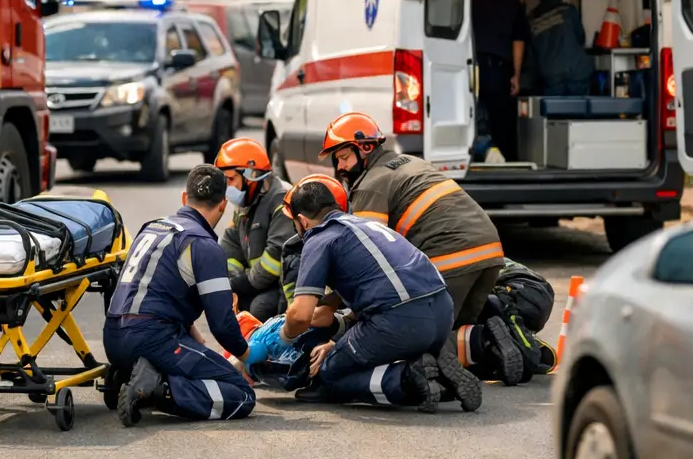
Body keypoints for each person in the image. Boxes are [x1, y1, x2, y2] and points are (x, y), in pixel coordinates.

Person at [319, 112, 525, 390]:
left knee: (420, 332)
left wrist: (337, 305)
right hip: (489, 251)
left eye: (343, 157)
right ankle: (494, 340)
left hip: (450, 255)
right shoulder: (410, 162)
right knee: (453, 327)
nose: (340, 167)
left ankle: (448, 358)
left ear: (365, 148)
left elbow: (366, 256)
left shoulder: (371, 184)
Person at [273, 176, 476, 413]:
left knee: (328, 373)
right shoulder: (368, 226)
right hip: (442, 312)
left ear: (302, 220)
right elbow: (339, 305)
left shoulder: (320, 237)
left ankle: (410, 378)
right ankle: (438, 379)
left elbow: (300, 316)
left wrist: (283, 338)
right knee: (351, 353)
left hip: (400, 321)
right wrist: (338, 344)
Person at [104, 164, 265, 427]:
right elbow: (223, 324)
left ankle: (132, 375)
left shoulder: (151, 228)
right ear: (223, 205)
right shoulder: (203, 244)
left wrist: (197, 343)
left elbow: (160, 293)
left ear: (184, 198)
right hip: (153, 339)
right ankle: (160, 390)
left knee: (194, 359)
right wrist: (248, 356)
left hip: (113, 338)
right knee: (241, 394)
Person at [216, 137, 294, 320]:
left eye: (230, 179)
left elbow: (275, 256)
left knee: (259, 308)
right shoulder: (245, 203)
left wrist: (245, 281)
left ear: (251, 175)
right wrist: (232, 280)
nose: (226, 187)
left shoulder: (281, 199)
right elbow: (231, 244)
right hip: (257, 283)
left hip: (282, 286)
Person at [472, 0, 528, 159]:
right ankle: (505, 161)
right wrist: (516, 74)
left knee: (475, 116)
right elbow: (518, 39)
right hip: (497, 70)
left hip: (471, 68)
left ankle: (478, 156)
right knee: (502, 120)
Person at [528, 0, 594, 96]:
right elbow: (581, 38)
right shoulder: (568, 11)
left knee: (555, 113)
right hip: (578, 71)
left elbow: (532, 56)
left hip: (551, 77)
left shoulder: (531, 19)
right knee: (579, 111)